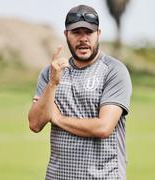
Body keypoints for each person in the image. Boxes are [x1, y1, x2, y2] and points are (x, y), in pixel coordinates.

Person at [28, 4, 132, 180]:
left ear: (98, 34)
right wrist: (53, 83)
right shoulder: (51, 72)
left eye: (89, 32)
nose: (83, 38)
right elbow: (35, 123)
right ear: (66, 35)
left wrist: (58, 119)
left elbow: (103, 127)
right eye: (76, 32)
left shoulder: (114, 70)